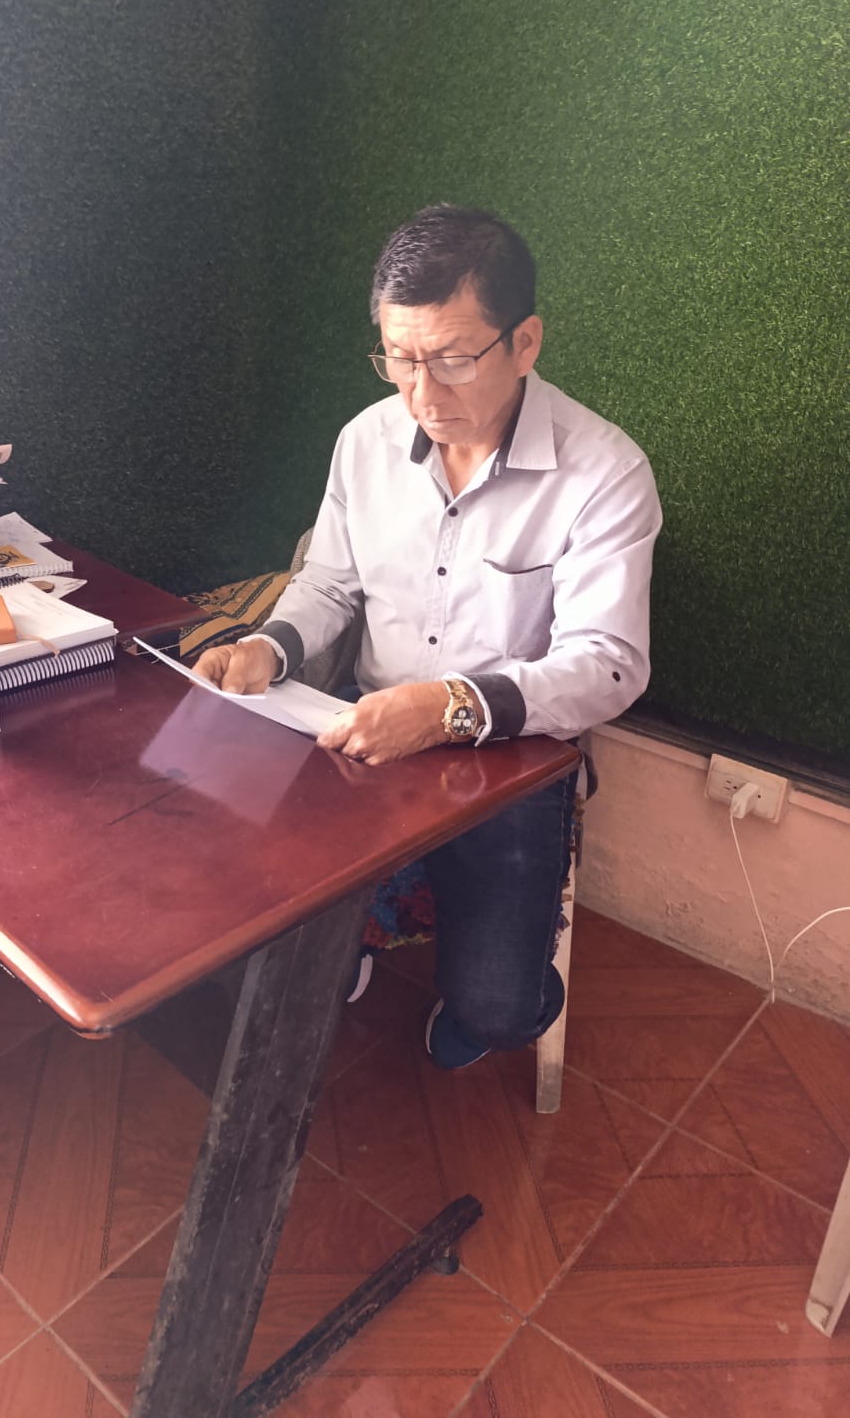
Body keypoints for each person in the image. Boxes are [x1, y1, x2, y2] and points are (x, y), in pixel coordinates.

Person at [195, 204, 662, 1069]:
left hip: (508, 755)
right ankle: (354, 937)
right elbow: (329, 584)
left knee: (498, 1011)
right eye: (400, 360)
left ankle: (486, 983)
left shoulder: (604, 472)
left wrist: (448, 708)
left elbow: (609, 666)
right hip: (363, 722)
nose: (421, 396)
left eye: (451, 360)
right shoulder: (366, 440)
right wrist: (272, 647)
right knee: (246, 892)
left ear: (525, 343)